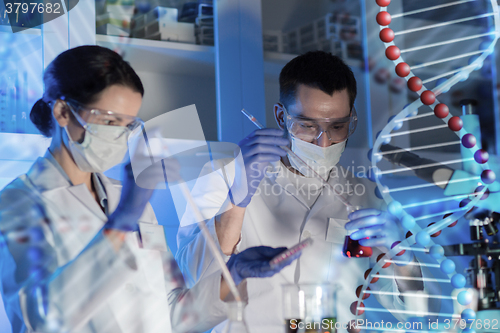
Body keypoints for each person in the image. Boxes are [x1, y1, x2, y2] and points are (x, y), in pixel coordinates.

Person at [0, 45, 298, 333]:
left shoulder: (126, 196)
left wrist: (234, 273)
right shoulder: (16, 204)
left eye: (128, 124)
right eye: (109, 120)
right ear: (63, 112)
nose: (119, 134)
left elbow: (171, 312)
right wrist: (122, 221)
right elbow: (40, 321)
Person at [176, 51, 430, 333]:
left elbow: (418, 315)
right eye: (308, 125)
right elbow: (193, 280)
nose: (324, 142)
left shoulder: (368, 196)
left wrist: (404, 257)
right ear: (280, 116)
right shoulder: (223, 175)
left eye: (337, 127)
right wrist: (237, 198)